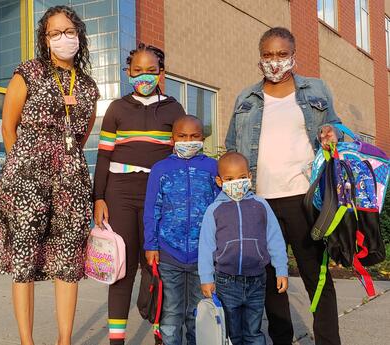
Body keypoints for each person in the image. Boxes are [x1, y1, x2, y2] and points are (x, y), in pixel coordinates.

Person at [0, 6, 100, 345]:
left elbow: (79, 137)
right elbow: (8, 124)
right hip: (27, 180)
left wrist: (63, 165)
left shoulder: (89, 87)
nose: (63, 38)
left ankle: (65, 340)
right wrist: (20, 166)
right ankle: (27, 341)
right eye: (55, 33)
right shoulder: (29, 72)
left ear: (79, 35)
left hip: (71, 182)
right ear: (44, 39)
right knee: (25, 258)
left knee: (67, 259)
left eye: (69, 31)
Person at [225, 27, 342, 345]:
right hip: (259, 202)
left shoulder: (315, 89)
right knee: (269, 279)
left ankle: (328, 340)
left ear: (293, 56)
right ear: (259, 58)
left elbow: (337, 126)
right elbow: (232, 148)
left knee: (316, 278)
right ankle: (281, 339)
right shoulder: (245, 98)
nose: (274, 62)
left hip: (304, 200)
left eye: (281, 54)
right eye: (267, 55)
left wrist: (333, 132)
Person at [93, 43, 186, 345]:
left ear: (161, 73)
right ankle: (116, 341)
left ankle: (161, 334)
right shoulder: (117, 108)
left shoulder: (174, 109)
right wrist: (99, 198)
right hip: (120, 194)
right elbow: (104, 157)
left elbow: (182, 155)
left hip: (159, 197)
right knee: (122, 268)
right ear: (128, 73)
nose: (143, 77)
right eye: (137, 71)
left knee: (156, 266)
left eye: (150, 71)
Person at [143, 115, 219, 345]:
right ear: (172, 138)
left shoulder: (212, 167)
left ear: (203, 139)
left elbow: (220, 208)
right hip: (169, 254)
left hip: (203, 257)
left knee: (198, 313)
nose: (188, 140)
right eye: (182, 136)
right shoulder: (160, 169)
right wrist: (151, 244)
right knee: (171, 314)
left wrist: (219, 246)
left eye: (194, 136)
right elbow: (151, 208)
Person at [198, 152, 288, 345]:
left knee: (253, 332)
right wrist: (206, 278)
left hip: (257, 280)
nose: (236, 183)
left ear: (249, 177)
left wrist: (281, 269)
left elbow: (275, 239)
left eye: (241, 178)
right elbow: (206, 246)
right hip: (226, 281)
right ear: (219, 181)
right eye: (229, 179)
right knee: (232, 334)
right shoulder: (214, 210)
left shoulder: (261, 205)